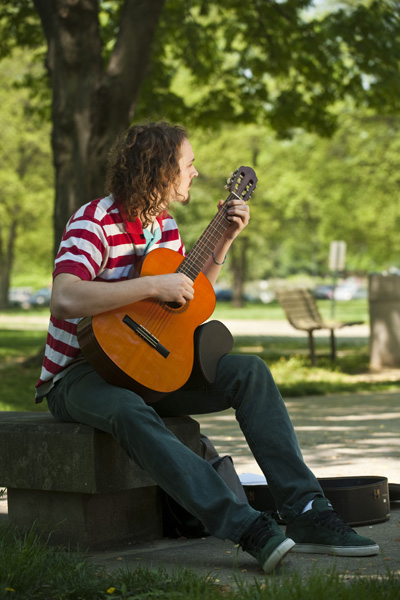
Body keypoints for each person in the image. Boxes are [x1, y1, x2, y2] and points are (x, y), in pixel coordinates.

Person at [35, 121, 379, 573]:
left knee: (249, 371)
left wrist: (224, 241)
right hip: (79, 372)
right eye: (188, 164)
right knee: (126, 410)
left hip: (151, 365)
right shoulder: (93, 221)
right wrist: (152, 284)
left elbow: (187, 302)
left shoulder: (165, 227)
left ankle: (307, 513)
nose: (195, 173)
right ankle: (245, 526)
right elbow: (65, 296)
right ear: (160, 170)